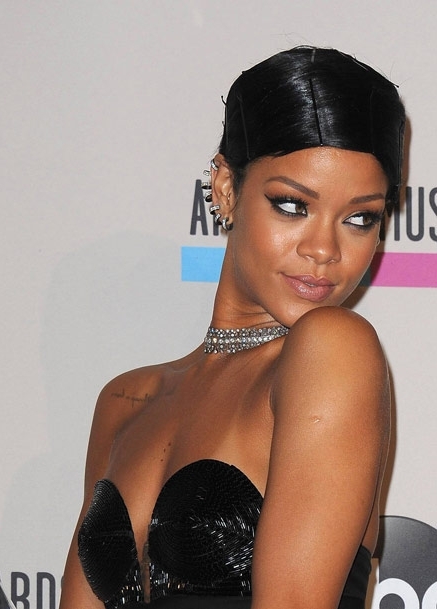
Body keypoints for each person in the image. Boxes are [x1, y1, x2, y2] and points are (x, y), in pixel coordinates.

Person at [59, 46, 405, 609]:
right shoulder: (125, 401)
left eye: (360, 217)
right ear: (225, 188)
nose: (323, 249)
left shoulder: (334, 349)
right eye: (292, 205)